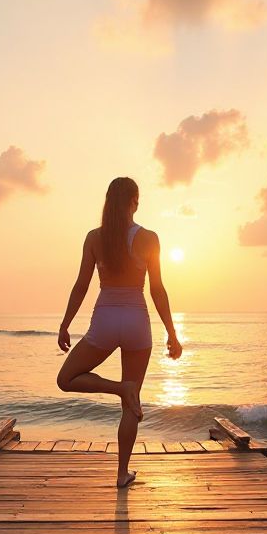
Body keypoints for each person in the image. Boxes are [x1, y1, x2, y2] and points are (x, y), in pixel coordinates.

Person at [57, 176, 182, 488]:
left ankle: (119, 388)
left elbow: (82, 285)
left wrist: (65, 323)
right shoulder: (150, 238)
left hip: (106, 319)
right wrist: (172, 332)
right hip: (137, 321)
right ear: (134, 202)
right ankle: (121, 473)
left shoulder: (94, 238)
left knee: (66, 379)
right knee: (132, 400)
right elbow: (157, 289)